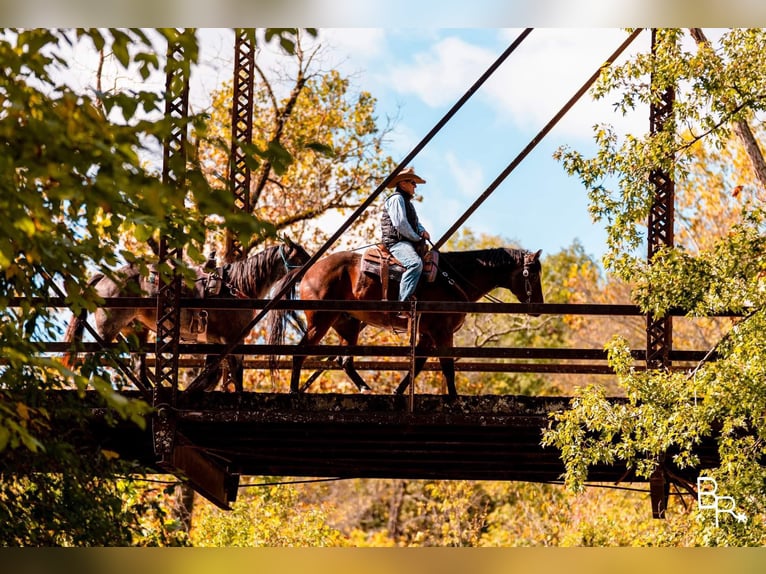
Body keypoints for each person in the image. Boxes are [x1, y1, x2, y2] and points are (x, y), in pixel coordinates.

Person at [380, 167, 430, 316]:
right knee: (415, 264)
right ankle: (402, 304)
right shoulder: (396, 199)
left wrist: (422, 230)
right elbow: (400, 224)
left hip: (405, 241)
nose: (415, 186)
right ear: (402, 183)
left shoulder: (407, 202)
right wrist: (417, 237)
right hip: (396, 243)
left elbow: (415, 223)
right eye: (413, 182)